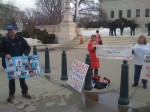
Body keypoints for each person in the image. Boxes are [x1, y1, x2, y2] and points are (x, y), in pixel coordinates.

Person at [0, 25, 31, 102]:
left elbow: (28, 48)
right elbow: (0, 51)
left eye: (11, 30)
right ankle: (11, 94)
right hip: (10, 63)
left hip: (20, 62)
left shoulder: (20, 39)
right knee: (12, 79)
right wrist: (5, 55)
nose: (10, 31)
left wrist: (25, 53)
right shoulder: (4, 40)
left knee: (22, 78)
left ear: (15, 31)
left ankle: (24, 92)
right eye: (9, 30)